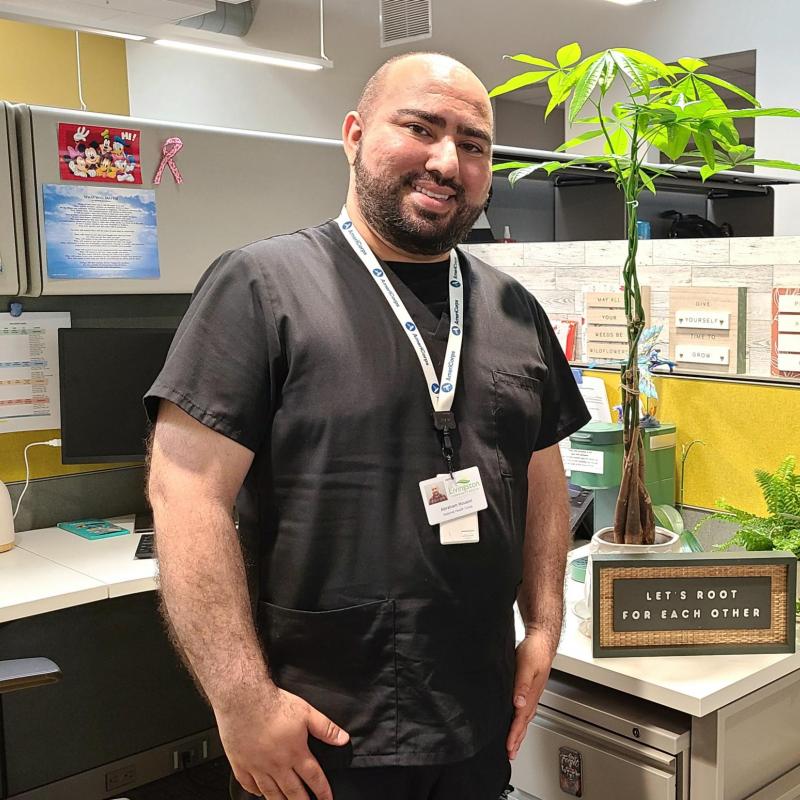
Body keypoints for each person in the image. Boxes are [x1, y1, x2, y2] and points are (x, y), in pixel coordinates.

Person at [145, 51, 590, 800]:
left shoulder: (513, 308)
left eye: (473, 144)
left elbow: (542, 470)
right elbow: (185, 491)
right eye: (420, 128)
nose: (446, 161)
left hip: (476, 712)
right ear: (354, 134)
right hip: (319, 729)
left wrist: (544, 624)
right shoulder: (261, 287)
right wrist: (241, 699)